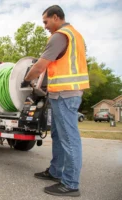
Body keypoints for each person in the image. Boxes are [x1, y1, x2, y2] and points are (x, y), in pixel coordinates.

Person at [21, 5, 90, 197]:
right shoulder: (75, 34)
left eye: (46, 21)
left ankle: (70, 184)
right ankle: (55, 171)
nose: (44, 26)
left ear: (56, 17)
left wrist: (26, 78)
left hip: (65, 94)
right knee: (59, 135)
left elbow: (41, 65)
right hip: (63, 93)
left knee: (69, 138)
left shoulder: (60, 36)